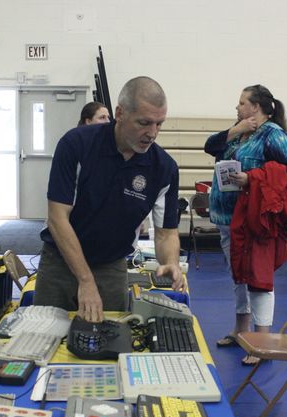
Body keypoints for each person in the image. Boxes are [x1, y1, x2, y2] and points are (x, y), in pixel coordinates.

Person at [35, 76, 183, 321]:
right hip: (59, 263)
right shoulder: (77, 145)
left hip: (111, 267)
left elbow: (167, 233)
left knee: (110, 340)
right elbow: (57, 217)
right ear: (120, 113)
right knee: (42, 339)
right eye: (144, 123)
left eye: (159, 124)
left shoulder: (164, 168)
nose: (152, 133)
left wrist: (170, 261)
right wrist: (85, 279)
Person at [204, 85, 287, 366]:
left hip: (254, 219)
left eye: (242, 102)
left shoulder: (274, 135)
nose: (237, 107)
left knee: (258, 277)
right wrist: (236, 129)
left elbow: (285, 174)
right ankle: (241, 328)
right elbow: (210, 146)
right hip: (227, 216)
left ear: (256, 106)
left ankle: (262, 340)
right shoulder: (239, 130)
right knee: (238, 275)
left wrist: (252, 177)